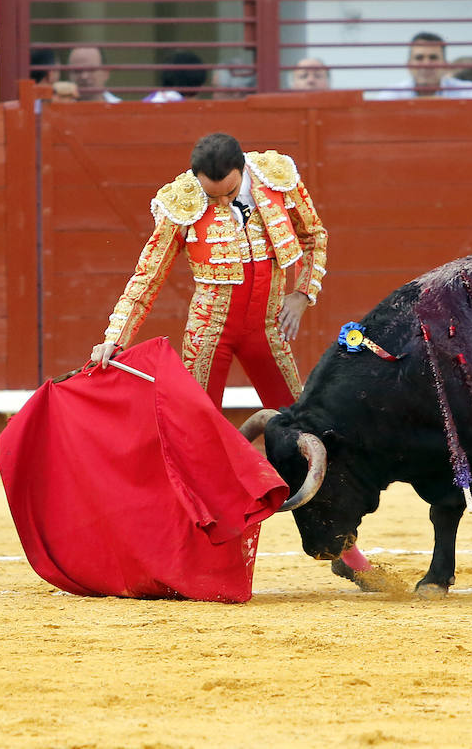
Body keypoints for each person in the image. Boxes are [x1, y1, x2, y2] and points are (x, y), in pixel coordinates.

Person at [88, 132, 375, 581]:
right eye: (209, 193)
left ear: (243, 170)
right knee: (193, 442)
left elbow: (314, 234)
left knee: (307, 436)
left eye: (226, 191)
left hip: (269, 328)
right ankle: (188, 556)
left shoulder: (276, 179)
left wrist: (303, 292)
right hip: (209, 332)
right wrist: (114, 336)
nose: (217, 201)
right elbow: (147, 276)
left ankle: (342, 549)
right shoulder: (182, 202)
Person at [364, 32, 472, 99]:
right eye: (419, 58)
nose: (426, 64)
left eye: (433, 58)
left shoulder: (469, 93)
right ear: (409, 65)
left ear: (445, 65)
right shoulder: (391, 95)